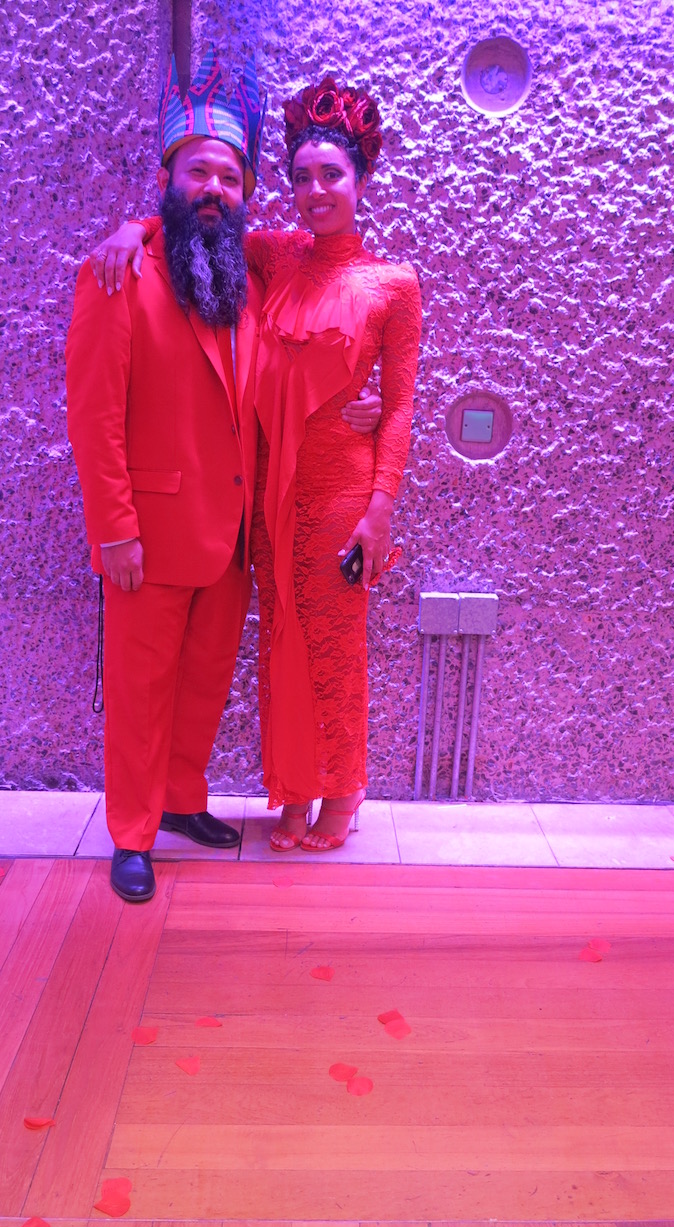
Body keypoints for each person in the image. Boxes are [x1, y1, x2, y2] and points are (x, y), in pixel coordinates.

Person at [68, 52, 379, 902]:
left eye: (230, 178)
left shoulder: (244, 275)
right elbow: (93, 420)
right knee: (140, 691)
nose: (214, 188)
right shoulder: (120, 275)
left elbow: (325, 302)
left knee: (204, 680)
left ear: (246, 193)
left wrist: (360, 403)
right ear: (168, 180)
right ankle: (131, 834)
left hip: (234, 534)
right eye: (198, 172)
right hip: (149, 535)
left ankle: (180, 799)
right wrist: (114, 532)